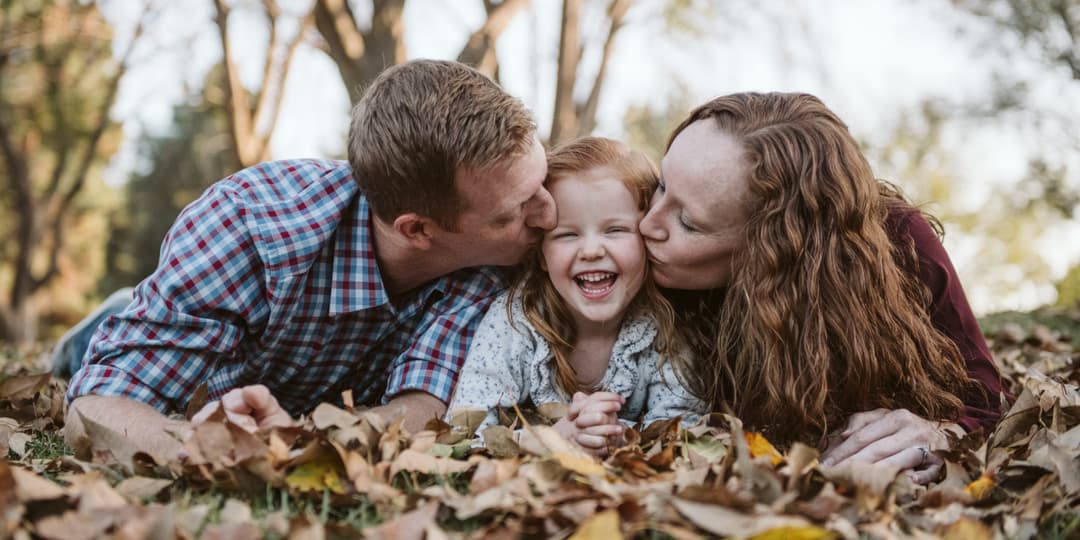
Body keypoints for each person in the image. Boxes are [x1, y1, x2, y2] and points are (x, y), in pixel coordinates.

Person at [63, 59, 556, 458]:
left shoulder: (500, 256)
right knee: (91, 349)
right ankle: (104, 322)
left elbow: (425, 407)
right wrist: (211, 448)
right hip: (216, 369)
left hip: (317, 394)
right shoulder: (248, 225)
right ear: (418, 230)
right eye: (515, 212)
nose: (549, 214)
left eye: (542, 181)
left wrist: (295, 442)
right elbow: (97, 407)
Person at [638, 92, 1010, 484]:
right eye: (662, 185)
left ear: (770, 250)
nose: (646, 224)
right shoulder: (621, 242)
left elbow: (985, 399)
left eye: (688, 223)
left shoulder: (896, 242)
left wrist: (943, 434)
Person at [448, 137, 704, 456]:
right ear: (541, 255)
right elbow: (464, 429)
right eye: (567, 234)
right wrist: (550, 439)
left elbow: (686, 426)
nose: (592, 250)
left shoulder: (664, 325)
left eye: (615, 230)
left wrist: (612, 434)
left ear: (647, 238)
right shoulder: (516, 320)